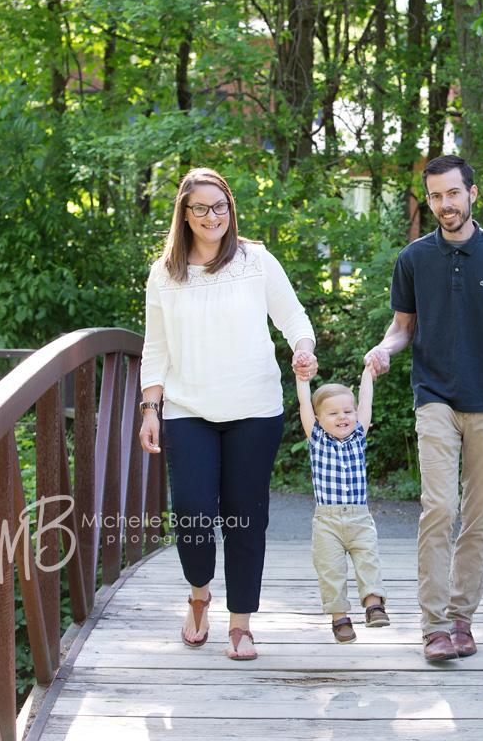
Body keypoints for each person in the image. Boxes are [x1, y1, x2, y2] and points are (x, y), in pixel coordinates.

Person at [364, 154, 483, 662]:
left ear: (472, 193)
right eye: (435, 197)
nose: (444, 204)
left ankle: (462, 619)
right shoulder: (413, 260)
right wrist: (385, 349)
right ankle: (432, 626)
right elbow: (403, 327)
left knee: (477, 516)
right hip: (435, 396)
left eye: (452, 193)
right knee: (440, 507)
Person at [138, 167, 317, 662]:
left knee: (246, 518)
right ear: (185, 213)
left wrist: (303, 349)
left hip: (254, 409)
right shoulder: (164, 274)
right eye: (201, 207)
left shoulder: (255, 260)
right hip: (187, 408)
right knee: (192, 513)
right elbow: (155, 350)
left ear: (230, 209)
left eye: (220, 206)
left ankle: (242, 622)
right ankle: (199, 595)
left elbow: (294, 318)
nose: (212, 216)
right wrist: (150, 408)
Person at [295, 364, 390, 644]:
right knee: (331, 571)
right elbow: (303, 401)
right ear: (318, 418)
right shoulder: (317, 440)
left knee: (368, 561)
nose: (342, 417)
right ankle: (340, 620)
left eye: (347, 412)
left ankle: (374, 606)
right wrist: (302, 378)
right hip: (327, 523)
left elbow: (366, 401)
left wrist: (367, 372)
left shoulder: (358, 436)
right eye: (333, 413)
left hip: (360, 520)